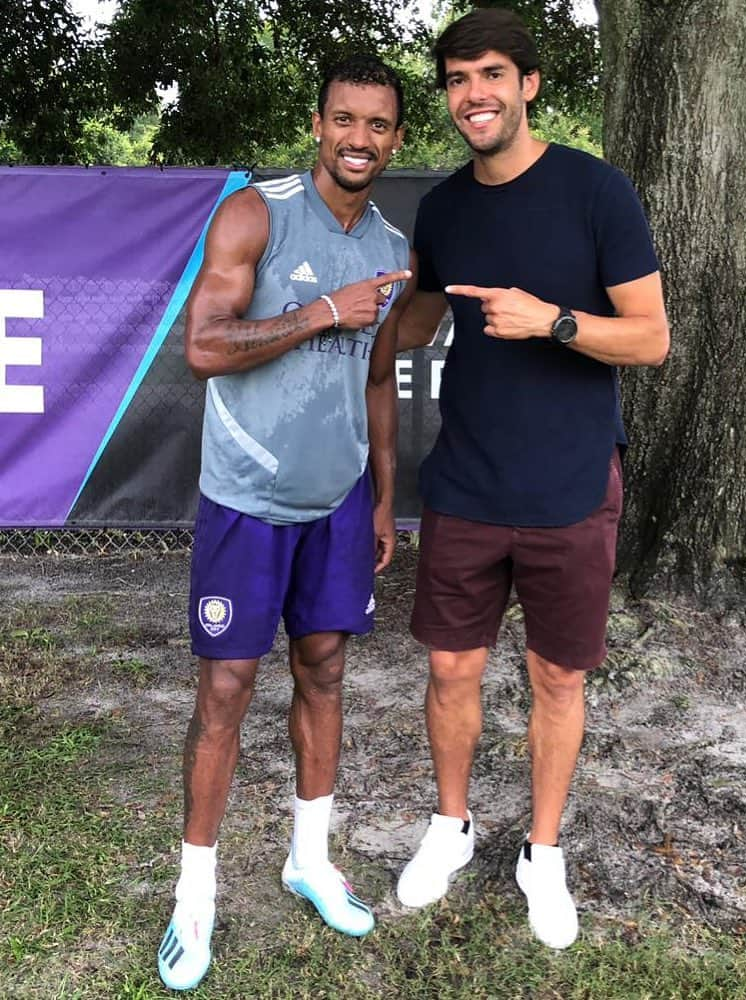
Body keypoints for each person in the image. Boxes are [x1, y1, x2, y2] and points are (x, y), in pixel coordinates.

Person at [393, 8, 669, 950]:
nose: (474, 94)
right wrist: (327, 319)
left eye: (492, 75)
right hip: (466, 481)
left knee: (558, 678)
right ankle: (452, 826)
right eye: (458, 79)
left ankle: (542, 854)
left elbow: (651, 338)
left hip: (570, 485)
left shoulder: (597, 192)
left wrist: (551, 321)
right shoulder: (443, 209)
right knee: (450, 668)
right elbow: (414, 323)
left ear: (528, 85)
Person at [157, 55, 413, 992]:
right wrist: (317, 313)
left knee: (326, 669)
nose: (359, 139)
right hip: (248, 500)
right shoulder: (256, 213)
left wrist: (383, 493)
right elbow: (204, 348)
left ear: (395, 138)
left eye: (378, 126)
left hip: (337, 500)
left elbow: (378, 379)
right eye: (344, 120)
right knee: (226, 689)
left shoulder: (390, 247)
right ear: (319, 125)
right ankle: (196, 895)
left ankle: (310, 858)